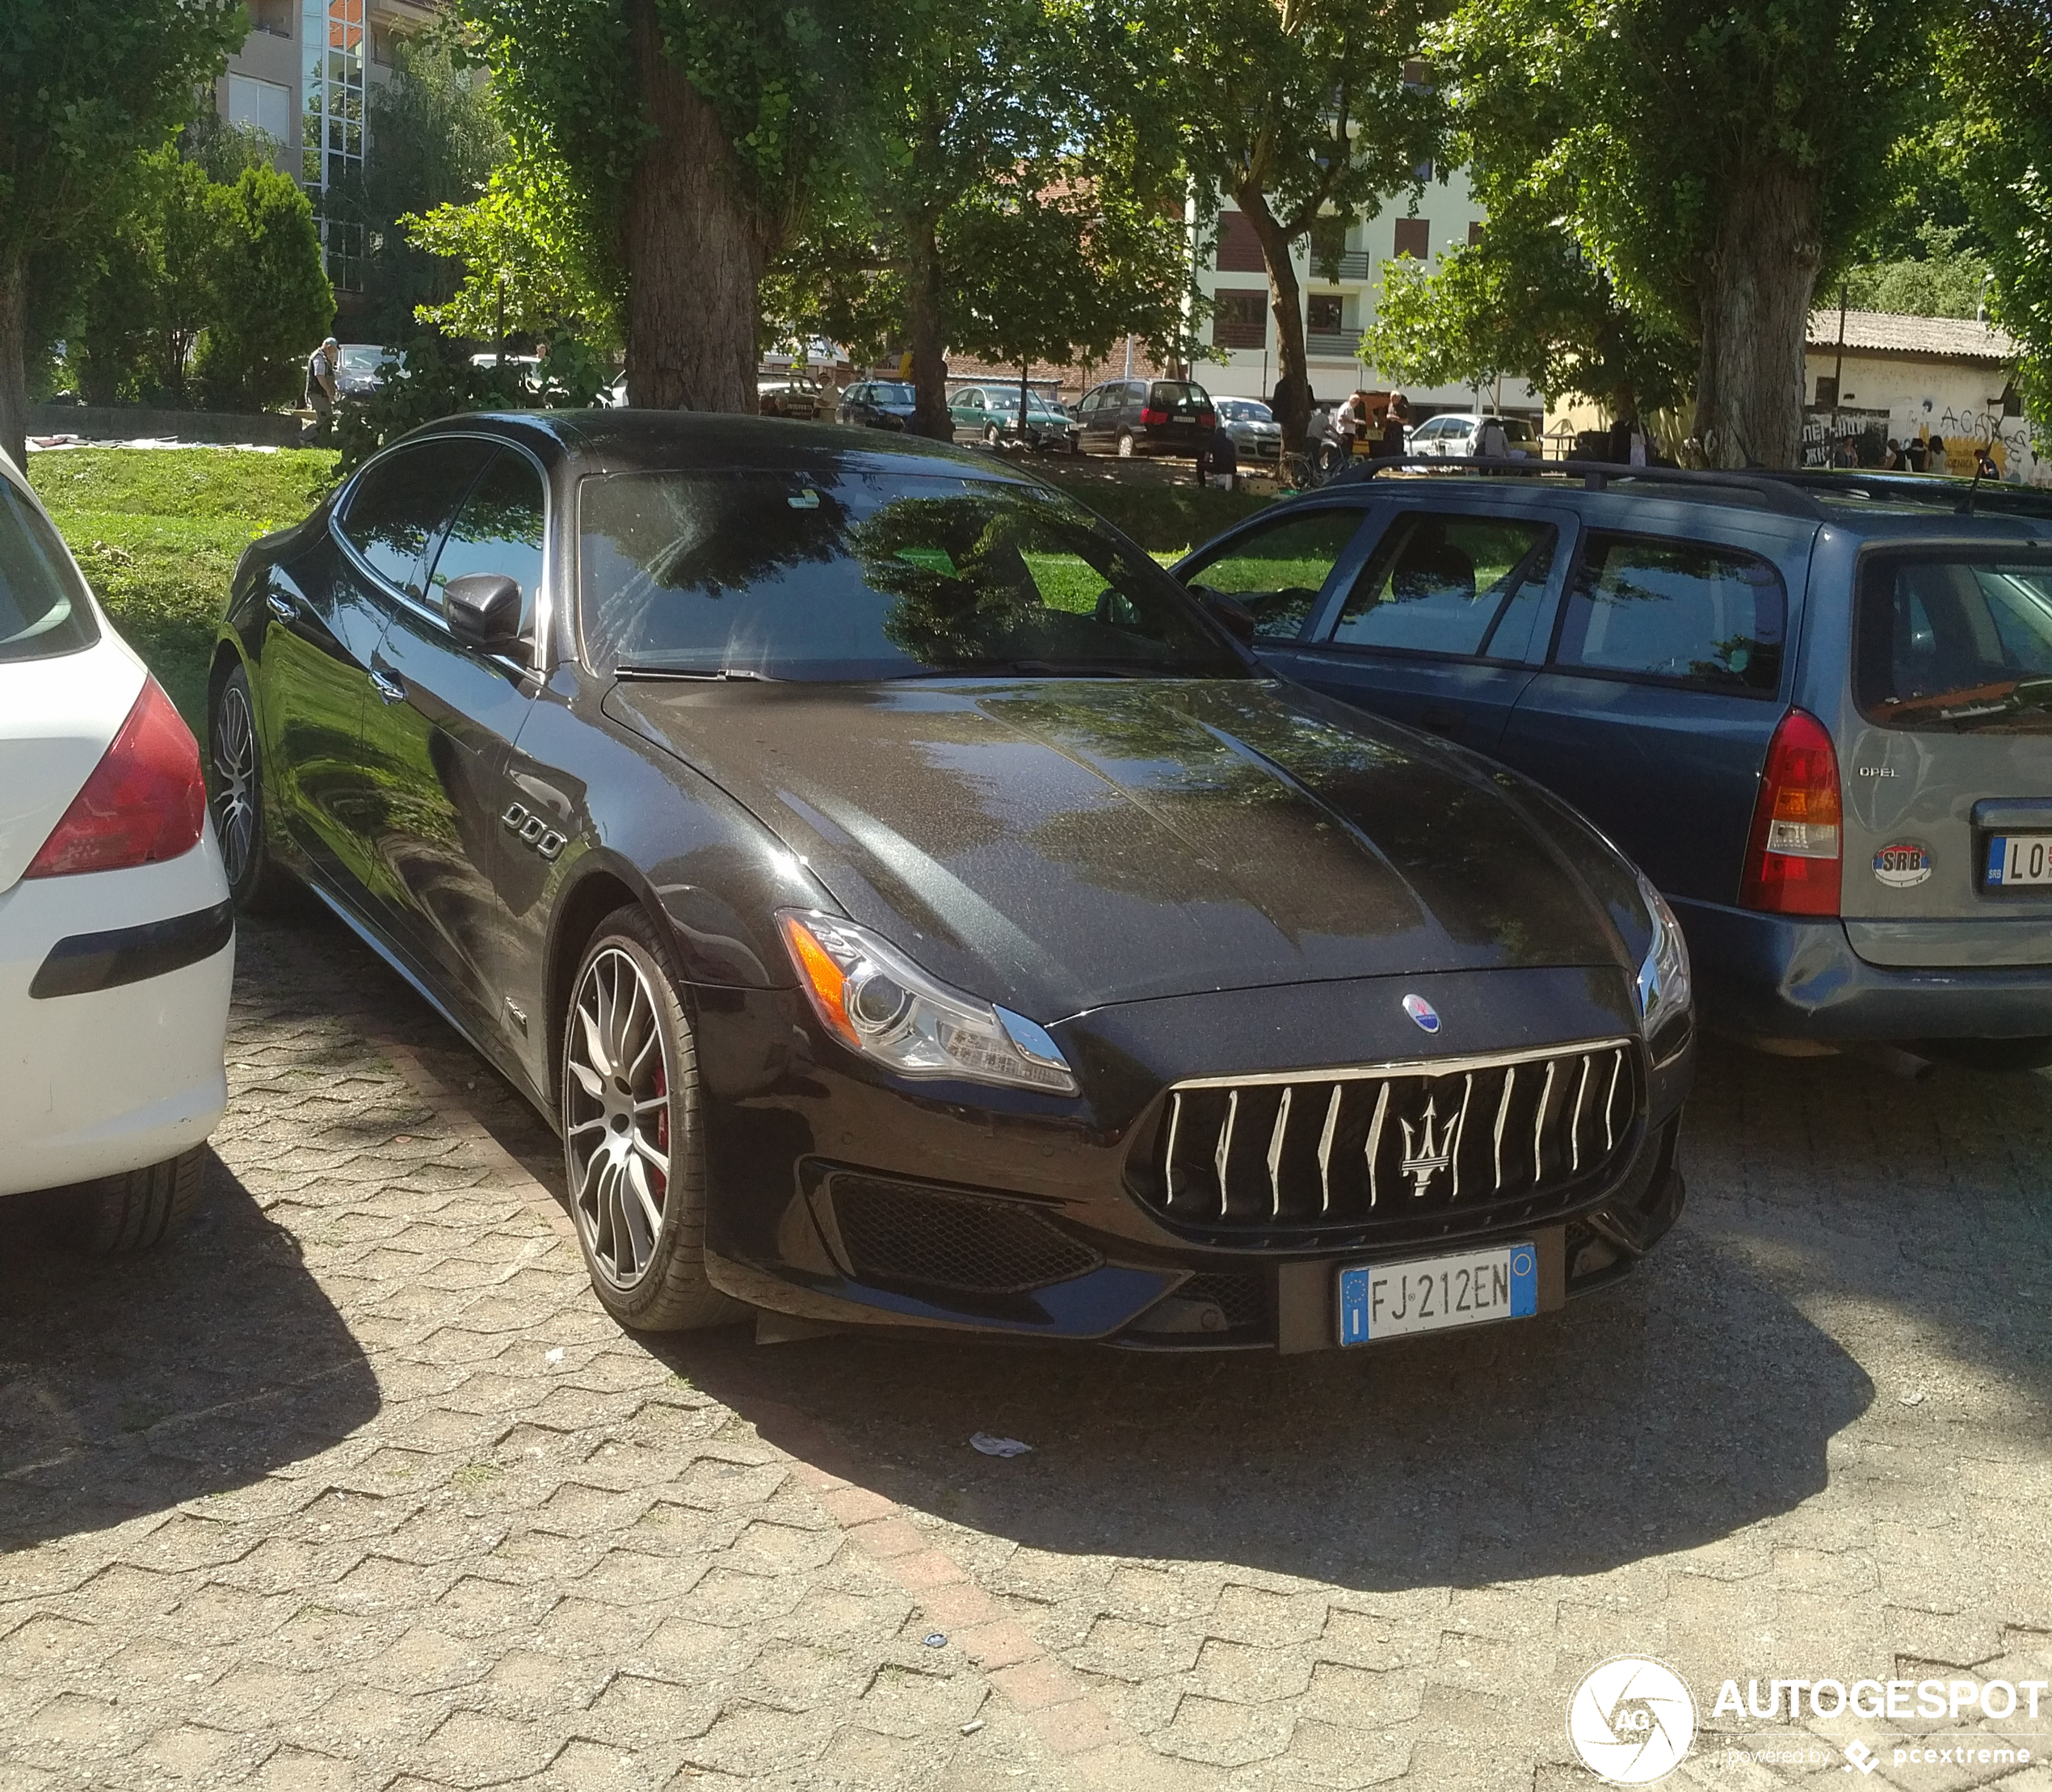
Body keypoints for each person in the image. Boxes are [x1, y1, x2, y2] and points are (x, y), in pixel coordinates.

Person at [303, 336, 340, 444]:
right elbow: (320, 376)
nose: (335, 352)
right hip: (317, 394)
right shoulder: (319, 357)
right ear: (328, 347)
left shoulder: (325, 357)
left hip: (321, 394)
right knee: (325, 419)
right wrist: (329, 392)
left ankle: (320, 442)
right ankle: (303, 437)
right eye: (334, 350)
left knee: (325, 419)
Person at [1195, 419, 1239, 491]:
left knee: (1200, 465)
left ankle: (1202, 485)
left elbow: (1206, 458)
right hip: (1231, 469)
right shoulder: (1231, 443)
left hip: (1219, 467)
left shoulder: (1213, 441)